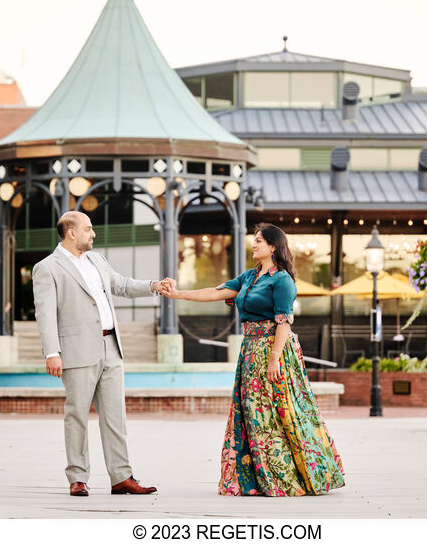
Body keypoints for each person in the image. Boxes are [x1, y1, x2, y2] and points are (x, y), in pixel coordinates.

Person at [160, 223, 345, 496]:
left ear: (272, 246)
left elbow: (284, 322)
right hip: (249, 351)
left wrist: (273, 360)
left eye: (259, 241)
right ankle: (256, 477)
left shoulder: (281, 279)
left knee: (280, 413)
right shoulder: (249, 277)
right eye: (254, 240)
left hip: (275, 350)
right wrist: (177, 294)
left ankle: (290, 475)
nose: (254, 244)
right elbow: (215, 292)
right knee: (253, 414)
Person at [31, 211, 174, 497]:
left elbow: (120, 285)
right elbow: (45, 314)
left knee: (115, 417)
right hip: (76, 350)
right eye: (88, 229)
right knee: (77, 416)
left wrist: (153, 286)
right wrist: (51, 353)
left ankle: (121, 477)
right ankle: (78, 477)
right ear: (71, 233)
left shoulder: (97, 260)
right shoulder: (47, 268)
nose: (93, 234)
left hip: (112, 348)